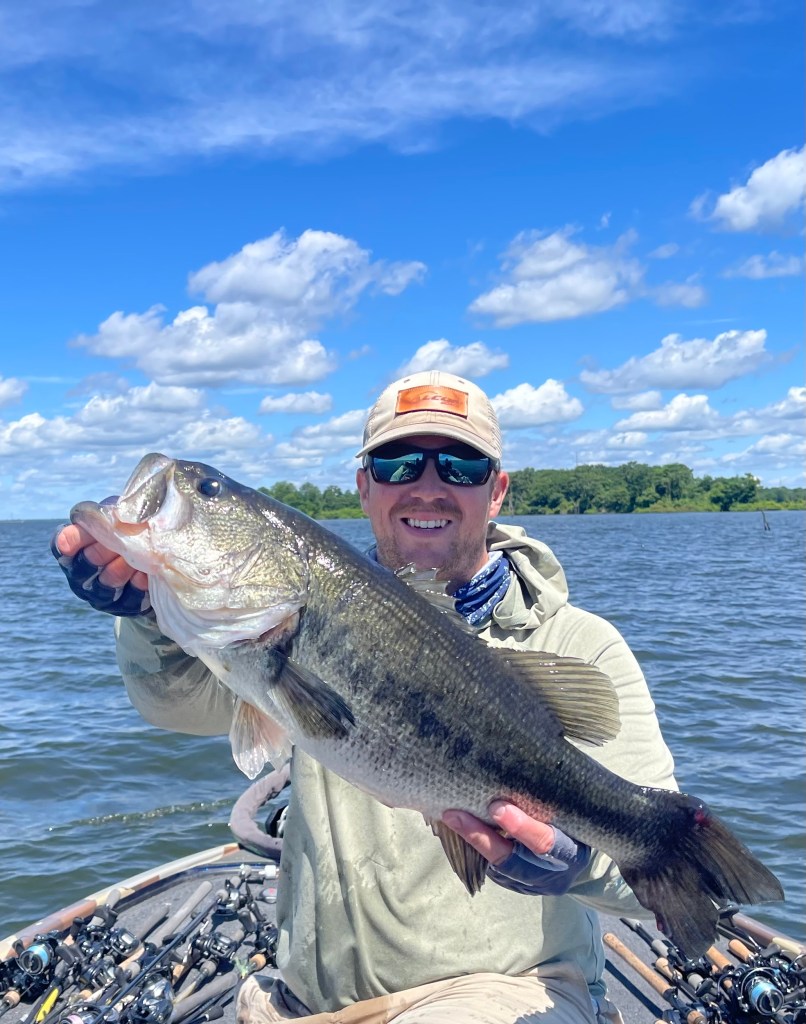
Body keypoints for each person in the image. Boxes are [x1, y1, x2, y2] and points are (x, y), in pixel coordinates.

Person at [52, 370, 677, 1024]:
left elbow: (644, 888)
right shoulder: (273, 631)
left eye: (461, 466)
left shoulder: (581, 645)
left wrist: (578, 866)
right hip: (304, 1002)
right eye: (397, 463)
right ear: (364, 487)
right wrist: (148, 614)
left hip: (508, 994)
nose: (428, 486)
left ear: (496, 492)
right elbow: (174, 707)